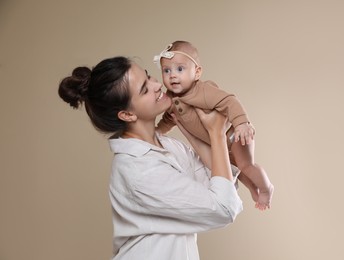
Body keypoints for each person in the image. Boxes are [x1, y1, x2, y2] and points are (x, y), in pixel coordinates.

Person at [58, 56, 243, 260]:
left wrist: (193, 127)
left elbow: (220, 184)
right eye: (144, 89)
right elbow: (224, 209)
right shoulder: (139, 169)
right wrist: (216, 132)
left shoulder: (166, 145)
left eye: (148, 76)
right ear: (127, 115)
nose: (157, 84)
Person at [154, 41, 274, 210]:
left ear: (197, 72)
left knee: (246, 165)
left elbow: (228, 100)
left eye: (179, 69)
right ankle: (254, 189)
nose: (172, 75)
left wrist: (241, 123)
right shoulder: (172, 98)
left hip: (236, 136)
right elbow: (169, 118)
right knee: (236, 170)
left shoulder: (203, 91)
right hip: (221, 144)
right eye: (167, 70)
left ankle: (267, 188)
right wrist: (157, 132)